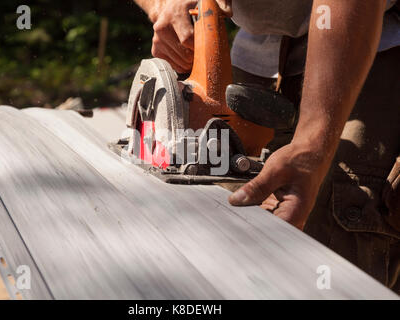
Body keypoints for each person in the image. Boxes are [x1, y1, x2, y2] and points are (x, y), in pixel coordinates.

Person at [134, 0, 400, 292]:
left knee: (333, 254)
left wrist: (313, 140)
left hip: (371, 42)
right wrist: (162, 5)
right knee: (230, 254)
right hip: (261, 51)